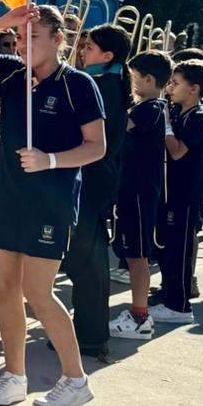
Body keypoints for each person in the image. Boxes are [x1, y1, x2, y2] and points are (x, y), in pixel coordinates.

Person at [0, 5, 105, 406]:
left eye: (32, 37)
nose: (22, 45)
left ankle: (75, 380)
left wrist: (50, 160)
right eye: (19, 38)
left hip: (51, 203)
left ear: (58, 39)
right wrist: (2, 23)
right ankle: (14, 375)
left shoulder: (79, 85)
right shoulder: (10, 73)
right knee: (6, 289)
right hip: (9, 197)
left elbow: (96, 147)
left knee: (38, 292)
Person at [59, 24, 131, 361]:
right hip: (96, 176)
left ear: (107, 56)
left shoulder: (103, 86)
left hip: (90, 176)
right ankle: (88, 331)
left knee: (85, 260)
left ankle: (88, 336)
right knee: (87, 258)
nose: (82, 50)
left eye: (89, 47)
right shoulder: (109, 82)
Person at [108, 50, 173, 340]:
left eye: (133, 77)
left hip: (139, 190)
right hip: (133, 189)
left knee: (138, 256)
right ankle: (139, 313)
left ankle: (139, 317)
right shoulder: (149, 107)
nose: (130, 82)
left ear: (148, 79)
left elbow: (116, 128)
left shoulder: (151, 108)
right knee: (135, 254)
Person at [151, 59, 203, 324]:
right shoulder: (178, 110)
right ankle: (169, 292)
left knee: (180, 249)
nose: (170, 88)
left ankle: (179, 306)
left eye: (175, 83)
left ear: (194, 89)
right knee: (167, 247)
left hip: (186, 195)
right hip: (171, 191)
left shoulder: (198, 117)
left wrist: (166, 128)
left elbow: (177, 152)